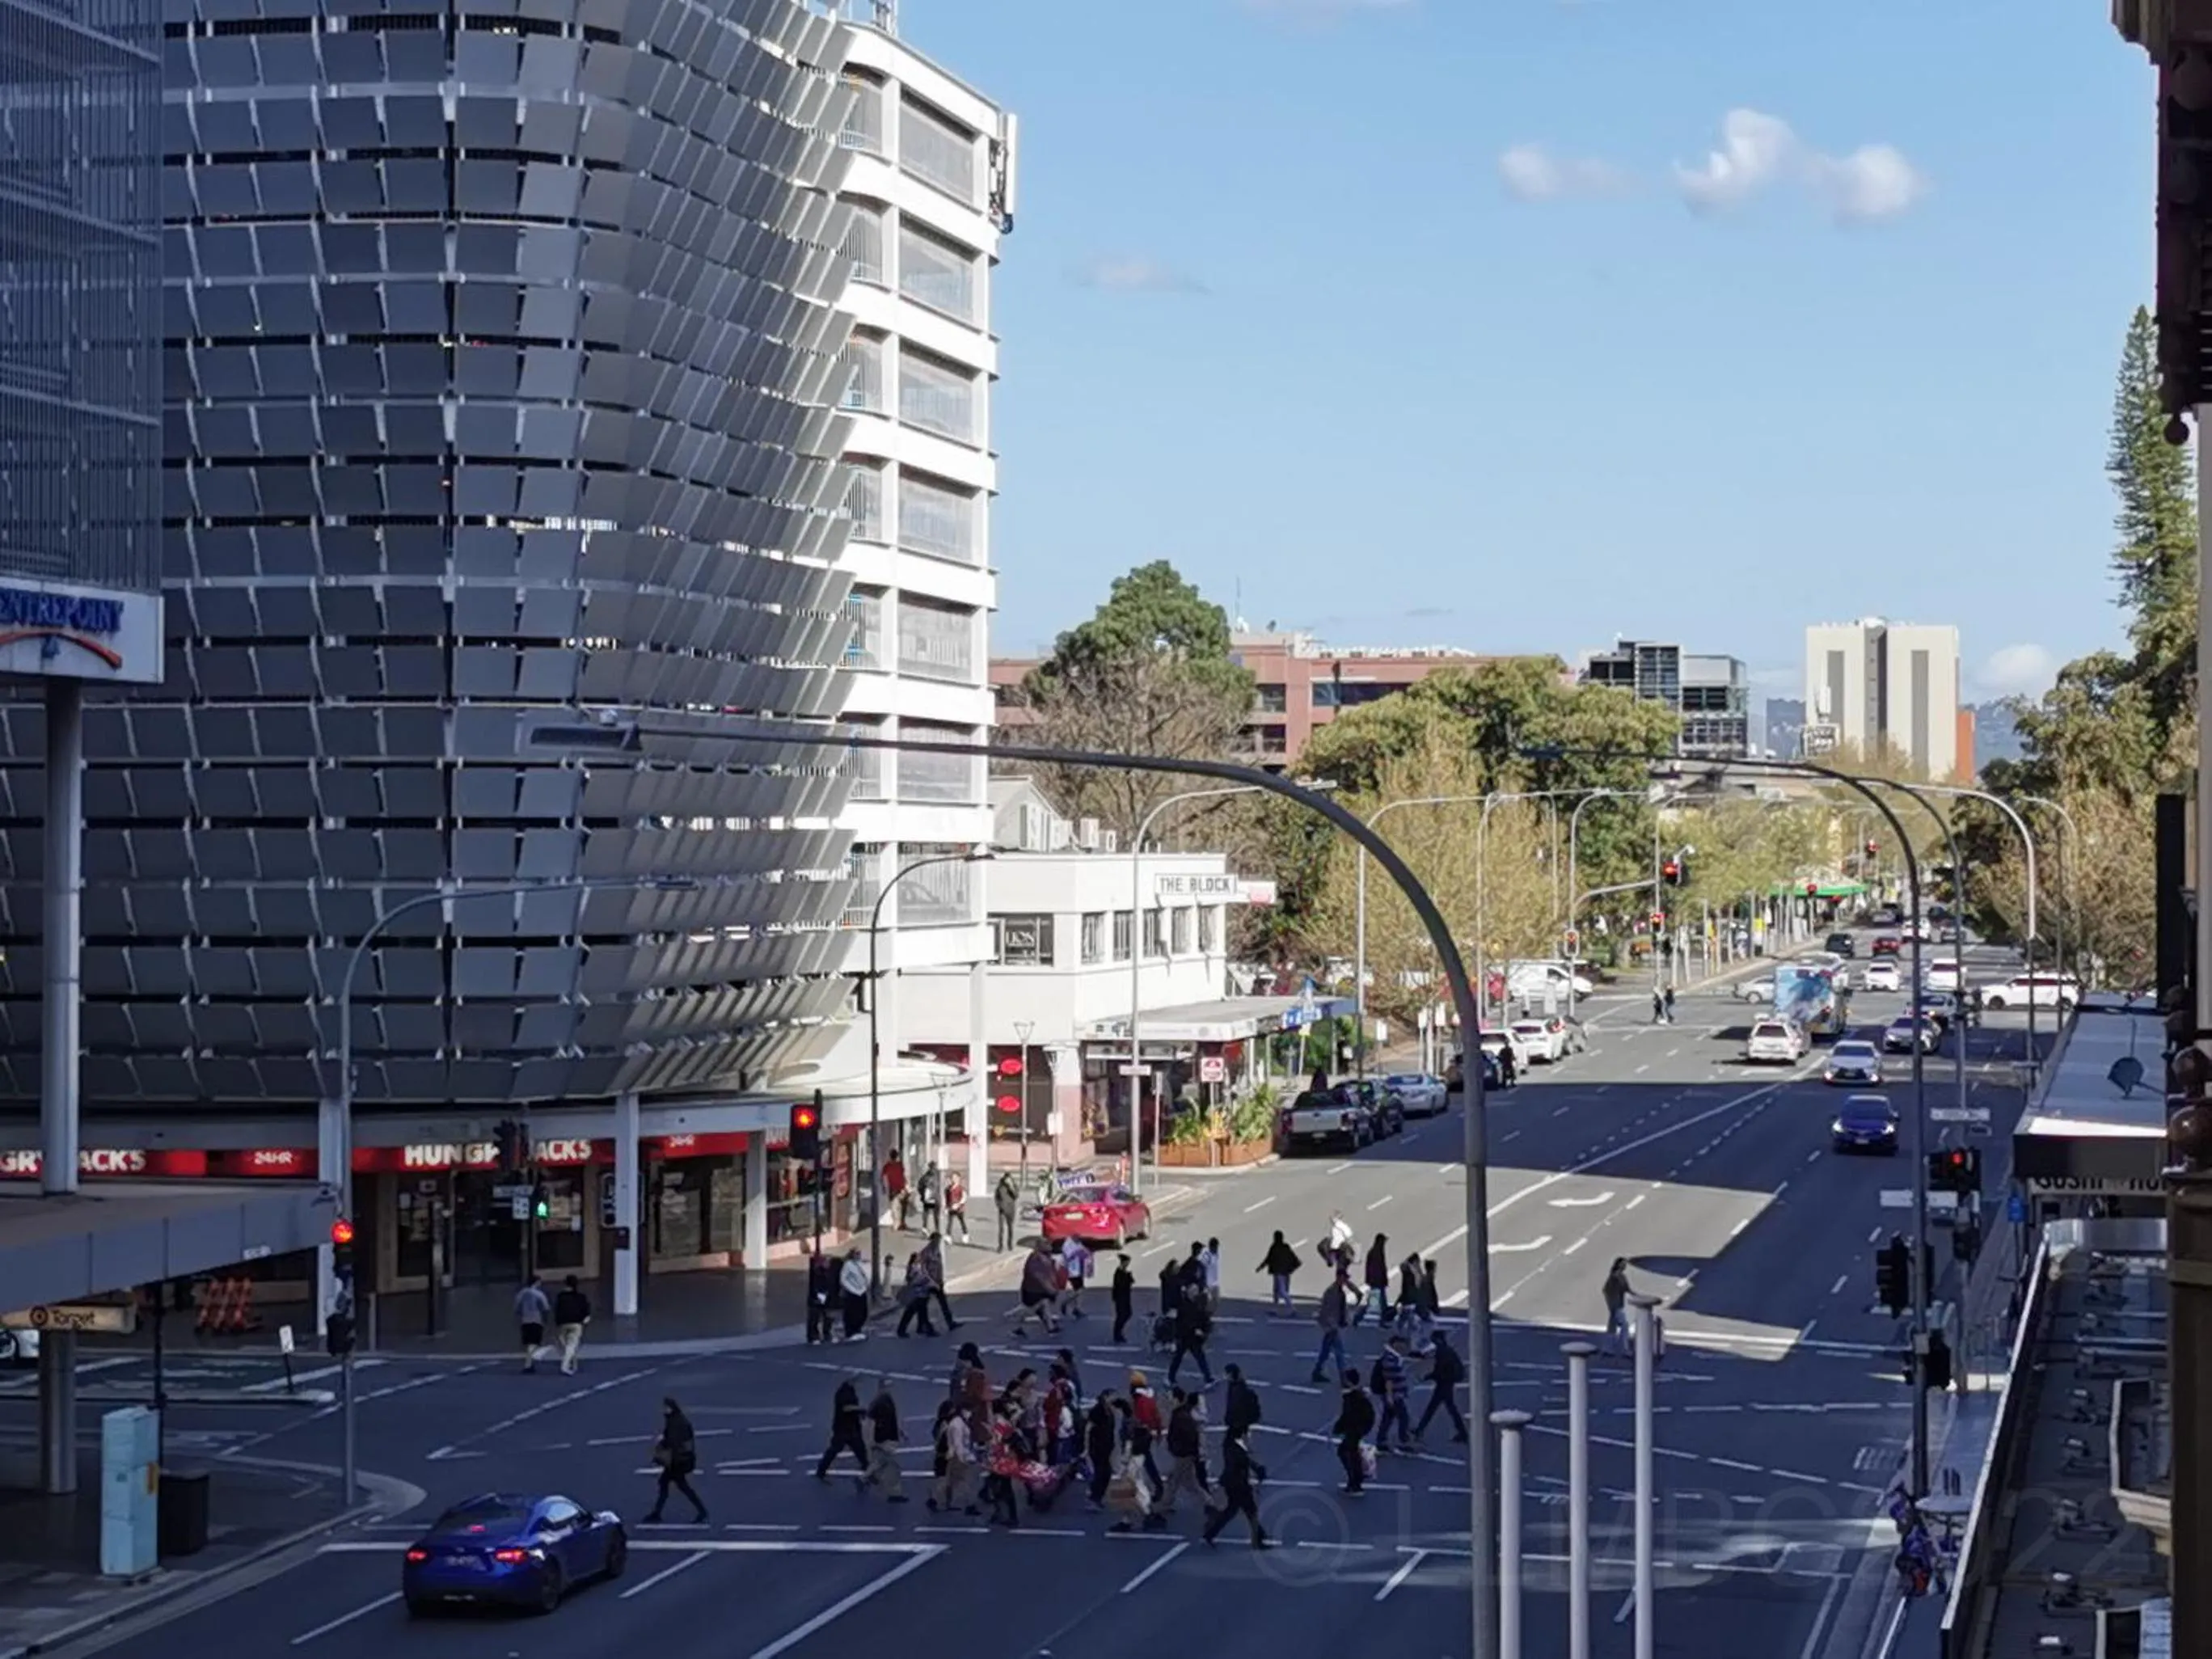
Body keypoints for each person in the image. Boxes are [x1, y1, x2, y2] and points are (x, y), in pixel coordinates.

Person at [1201, 1423, 1270, 1548]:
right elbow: (1242, 1462)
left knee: (1232, 1511)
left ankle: (1211, 1533)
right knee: (1250, 1511)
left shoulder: (1231, 1446)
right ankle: (1258, 1539)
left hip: (1234, 1484)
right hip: (1239, 1485)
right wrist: (1257, 1469)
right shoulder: (1236, 1448)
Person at [644, 1397, 708, 1523]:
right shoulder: (677, 1420)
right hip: (679, 1460)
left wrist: (662, 1446)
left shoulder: (676, 1422)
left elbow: (673, 1441)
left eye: (666, 1407)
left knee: (677, 1486)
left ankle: (701, 1511)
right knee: (670, 1485)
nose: (664, 1410)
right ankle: (658, 1513)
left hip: (677, 1461)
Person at [1159, 1388, 1209, 1514]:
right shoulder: (1181, 1413)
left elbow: (1189, 1436)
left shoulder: (1181, 1416)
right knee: (1189, 1482)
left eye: (1171, 1398)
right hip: (1185, 1453)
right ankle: (1209, 1503)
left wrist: (1179, 1449)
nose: (1169, 1400)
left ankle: (1164, 1506)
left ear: (1177, 1399)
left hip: (1184, 1454)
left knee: (1175, 1481)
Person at [1414, 1328, 1470, 1442]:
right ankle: (1462, 1432)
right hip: (1447, 1381)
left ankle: (1420, 1430)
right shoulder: (1447, 1350)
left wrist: (1428, 1377)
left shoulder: (1441, 1352)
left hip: (1444, 1382)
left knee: (1436, 1407)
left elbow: (1440, 1370)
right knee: (1446, 1407)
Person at [817, 1377, 870, 1482]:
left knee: (860, 1449)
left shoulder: (849, 1391)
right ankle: (821, 1470)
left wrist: (859, 1413)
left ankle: (867, 1468)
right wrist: (860, 1409)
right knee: (835, 1449)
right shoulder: (843, 1393)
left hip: (851, 1427)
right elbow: (846, 1408)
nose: (859, 1385)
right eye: (857, 1382)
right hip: (843, 1428)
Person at [1334, 1366, 1377, 1495]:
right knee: (1350, 1453)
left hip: (1354, 1431)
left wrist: (1342, 1427)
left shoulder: (1354, 1397)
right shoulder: (1354, 1395)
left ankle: (1355, 1482)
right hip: (1356, 1430)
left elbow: (1349, 1415)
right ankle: (1355, 1480)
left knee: (1348, 1454)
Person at [866, 1378, 908, 1503]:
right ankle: (894, 1494)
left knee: (881, 1462)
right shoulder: (877, 1403)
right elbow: (870, 1423)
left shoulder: (888, 1400)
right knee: (893, 1467)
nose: (890, 1389)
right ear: (882, 1387)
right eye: (888, 1386)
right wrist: (871, 1441)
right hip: (883, 1439)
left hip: (888, 1437)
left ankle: (863, 1478)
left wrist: (900, 1431)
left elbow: (892, 1419)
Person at [1373, 1335, 1416, 1453]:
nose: (1405, 1348)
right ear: (1396, 1344)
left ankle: (1381, 1441)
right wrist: (1390, 1397)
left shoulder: (1393, 1357)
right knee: (1403, 1417)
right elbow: (1389, 1381)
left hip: (1394, 1394)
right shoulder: (1390, 1359)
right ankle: (1403, 1441)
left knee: (1388, 1417)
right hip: (1394, 1395)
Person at [1167, 1281, 1214, 1387]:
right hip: (1185, 1336)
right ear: (1188, 1292)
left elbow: (1203, 1316)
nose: (1195, 1293)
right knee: (1179, 1358)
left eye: (1196, 1291)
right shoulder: (1184, 1305)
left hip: (1192, 1337)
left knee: (1199, 1357)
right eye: (1193, 1291)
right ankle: (1170, 1378)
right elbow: (1182, 1322)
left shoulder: (1197, 1303)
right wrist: (1195, 1330)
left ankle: (1208, 1379)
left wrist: (1204, 1328)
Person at [1311, 1268, 1350, 1384]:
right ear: (1339, 1277)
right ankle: (1343, 1378)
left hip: (1333, 1325)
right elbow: (1326, 1310)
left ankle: (1317, 1372)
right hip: (1331, 1326)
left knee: (1325, 1351)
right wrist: (1331, 1325)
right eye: (1344, 1278)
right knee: (1339, 1352)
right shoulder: (1332, 1292)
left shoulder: (1338, 1291)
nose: (1345, 1281)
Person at [1015, 1240, 1062, 1336]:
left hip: (1038, 1289)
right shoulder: (1035, 1259)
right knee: (1038, 1306)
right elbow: (1038, 1276)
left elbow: (1049, 1273)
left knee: (1044, 1305)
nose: (1050, 1246)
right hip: (1032, 1290)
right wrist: (1049, 1288)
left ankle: (1050, 1327)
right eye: (1047, 1244)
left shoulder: (1045, 1257)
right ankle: (1019, 1324)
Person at [1083, 1391, 1119, 1509]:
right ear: (1105, 1397)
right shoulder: (1097, 1411)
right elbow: (1088, 1429)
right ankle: (1094, 1498)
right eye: (1112, 1397)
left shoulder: (1109, 1411)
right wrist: (1086, 1447)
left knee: (1106, 1473)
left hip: (1106, 1447)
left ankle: (1097, 1496)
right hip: (1097, 1447)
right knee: (1101, 1473)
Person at [918, 1232, 960, 1332]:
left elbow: (939, 1266)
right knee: (922, 1305)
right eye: (937, 1240)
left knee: (943, 1303)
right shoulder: (926, 1252)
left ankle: (950, 1323)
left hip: (937, 1281)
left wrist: (941, 1280)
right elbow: (923, 1268)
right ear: (932, 1240)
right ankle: (922, 1326)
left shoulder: (937, 1251)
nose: (938, 1242)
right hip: (929, 1282)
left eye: (939, 1240)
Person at [552, 1274, 591, 1375]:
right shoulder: (581, 1297)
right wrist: (585, 1319)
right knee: (572, 1344)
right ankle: (566, 1365)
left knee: (563, 1344)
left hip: (562, 1323)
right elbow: (586, 1310)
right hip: (577, 1323)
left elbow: (557, 1310)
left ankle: (570, 1361)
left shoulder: (561, 1296)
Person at [895, 1252, 939, 1339]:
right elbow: (913, 1281)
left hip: (922, 1293)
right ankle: (927, 1330)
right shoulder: (914, 1269)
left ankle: (920, 1329)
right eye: (918, 1258)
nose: (920, 1259)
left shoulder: (920, 1267)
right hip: (917, 1294)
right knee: (915, 1313)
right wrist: (924, 1281)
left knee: (919, 1313)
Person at [513, 1275, 551, 1373]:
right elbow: (545, 1307)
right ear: (537, 1282)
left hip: (525, 1320)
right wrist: (546, 1319)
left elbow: (517, 1308)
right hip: (536, 1320)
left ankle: (529, 1362)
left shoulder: (521, 1294)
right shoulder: (539, 1294)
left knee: (528, 1343)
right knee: (534, 1343)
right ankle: (529, 1363)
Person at [1259, 1231, 1302, 1314]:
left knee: (1281, 1291)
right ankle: (1275, 1309)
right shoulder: (1286, 1247)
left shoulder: (1274, 1247)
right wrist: (1292, 1269)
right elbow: (1294, 1259)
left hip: (1279, 1272)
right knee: (1277, 1291)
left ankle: (1292, 1308)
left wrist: (1261, 1267)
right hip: (1286, 1272)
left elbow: (1268, 1259)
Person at [1355, 1234, 1391, 1326]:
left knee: (1379, 1303)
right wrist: (1382, 1280)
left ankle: (1381, 1321)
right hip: (1377, 1282)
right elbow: (1379, 1268)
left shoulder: (1374, 1251)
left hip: (1376, 1282)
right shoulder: (1377, 1253)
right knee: (1374, 1303)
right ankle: (1358, 1317)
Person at [804, 1243, 837, 1345]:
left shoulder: (827, 1272)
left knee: (827, 1317)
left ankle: (825, 1334)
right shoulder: (818, 1272)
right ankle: (814, 1336)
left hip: (824, 1296)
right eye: (826, 1262)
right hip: (817, 1297)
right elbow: (816, 1286)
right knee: (815, 1317)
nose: (828, 1264)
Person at [1222, 1362, 1263, 1441]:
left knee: (1233, 1446)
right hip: (1241, 1424)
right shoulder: (1239, 1387)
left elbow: (1233, 1408)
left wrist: (1228, 1420)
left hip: (1237, 1425)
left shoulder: (1237, 1390)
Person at [838, 1247, 872, 1340]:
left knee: (863, 1312)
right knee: (852, 1313)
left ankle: (858, 1329)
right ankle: (851, 1332)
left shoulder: (860, 1264)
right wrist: (851, 1289)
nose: (858, 1255)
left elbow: (865, 1276)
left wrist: (865, 1286)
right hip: (852, 1292)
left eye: (859, 1253)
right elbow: (843, 1279)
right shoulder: (848, 1265)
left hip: (862, 1291)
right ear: (852, 1254)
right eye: (857, 1253)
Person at [1602, 1258, 1633, 1354]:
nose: (1625, 1266)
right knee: (1624, 1326)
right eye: (1623, 1264)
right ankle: (1624, 1349)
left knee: (1613, 1328)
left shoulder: (1622, 1277)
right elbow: (1606, 1291)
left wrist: (1638, 1296)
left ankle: (1608, 1348)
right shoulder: (1614, 1277)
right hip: (1615, 1306)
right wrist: (1611, 1304)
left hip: (1619, 1306)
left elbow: (1627, 1289)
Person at [1060, 1235, 1093, 1319]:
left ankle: (1077, 1309)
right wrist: (1078, 1253)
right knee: (1079, 1290)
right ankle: (1066, 1302)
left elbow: (1084, 1251)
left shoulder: (1077, 1243)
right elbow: (1068, 1257)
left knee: (1078, 1290)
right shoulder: (1067, 1245)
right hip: (1073, 1271)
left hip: (1079, 1270)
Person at [1110, 1253, 1136, 1344]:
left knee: (1128, 1314)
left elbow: (1132, 1281)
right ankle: (1117, 1333)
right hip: (1120, 1297)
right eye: (1127, 1262)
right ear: (1123, 1262)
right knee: (1122, 1315)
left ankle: (1119, 1332)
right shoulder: (1118, 1272)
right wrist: (1128, 1277)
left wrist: (1129, 1276)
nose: (1128, 1264)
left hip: (1126, 1297)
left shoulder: (1124, 1272)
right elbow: (1120, 1285)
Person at [994, 1171, 1021, 1252]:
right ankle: (1000, 1246)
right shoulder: (1000, 1186)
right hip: (1002, 1209)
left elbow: (1016, 1196)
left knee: (1010, 1228)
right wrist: (999, 1205)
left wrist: (1011, 1187)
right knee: (1001, 1229)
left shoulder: (1013, 1186)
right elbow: (996, 1197)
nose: (1007, 1181)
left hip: (1011, 1209)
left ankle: (1010, 1244)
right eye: (1006, 1179)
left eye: (1009, 1179)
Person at [881, 1150, 909, 1231]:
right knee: (902, 1206)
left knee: (895, 1207)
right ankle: (901, 1223)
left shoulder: (887, 1166)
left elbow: (883, 1177)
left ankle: (897, 1223)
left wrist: (884, 1187)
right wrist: (906, 1185)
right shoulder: (899, 1165)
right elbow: (903, 1176)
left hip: (893, 1189)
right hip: (901, 1189)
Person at [943, 1171, 970, 1243]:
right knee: (949, 1222)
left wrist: (958, 1204)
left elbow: (964, 1198)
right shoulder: (948, 1189)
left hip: (959, 1209)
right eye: (952, 1178)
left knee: (962, 1221)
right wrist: (946, 1207)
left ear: (959, 1179)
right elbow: (947, 1199)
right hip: (951, 1208)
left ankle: (965, 1234)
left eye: (955, 1178)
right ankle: (948, 1236)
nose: (953, 1179)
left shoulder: (961, 1188)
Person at [915, 1161, 940, 1234]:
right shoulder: (938, 1175)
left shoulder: (925, 1176)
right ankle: (937, 1228)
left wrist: (922, 1195)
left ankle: (925, 1227)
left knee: (926, 1212)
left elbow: (919, 1186)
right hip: (935, 1197)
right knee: (936, 1214)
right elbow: (941, 1186)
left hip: (928, 1198)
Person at [1200, 1237, 1223, 1312]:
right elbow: (1202, 1267)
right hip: (1208, 1284)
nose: (1217, 1248)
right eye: (1216, 1247)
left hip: (1215, 1283)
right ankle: (1205, 1316)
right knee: (1208, 1302)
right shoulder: (1207, 1255)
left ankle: (1207, 1315)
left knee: (1216, 1301)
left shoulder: (1216, 1254)